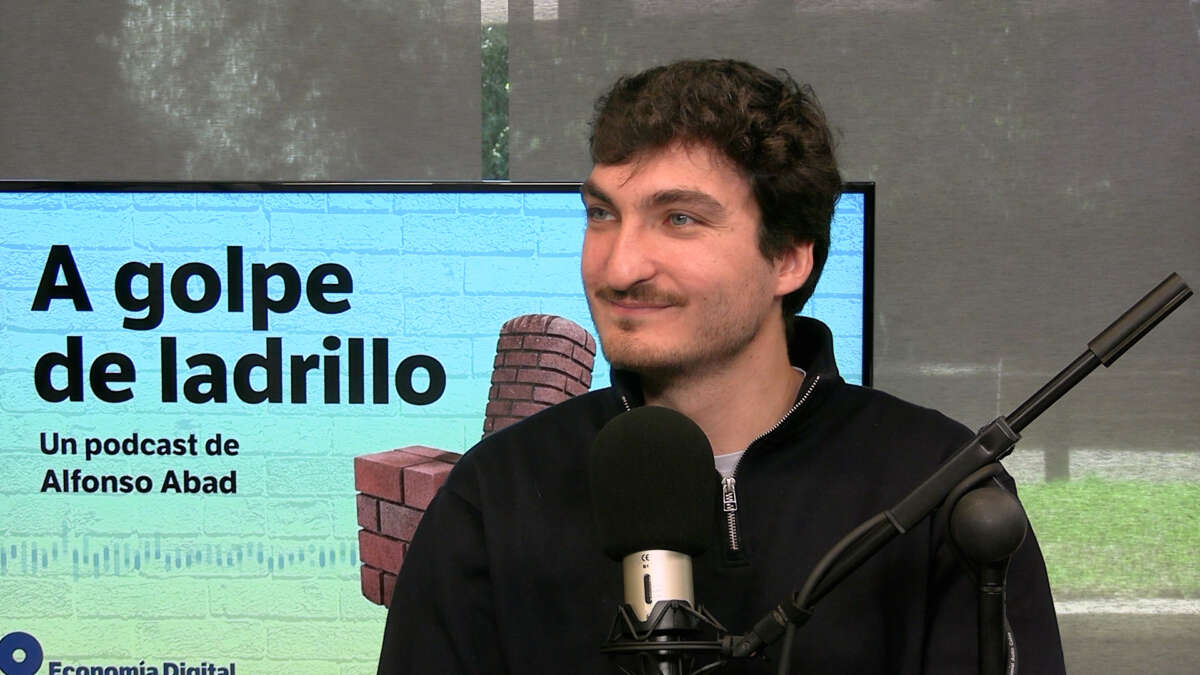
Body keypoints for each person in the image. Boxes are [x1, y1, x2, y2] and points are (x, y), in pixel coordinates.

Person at [377, 59, 1065, 674]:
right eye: (602, 214)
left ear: (789, 257)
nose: (619, 266)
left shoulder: (938, 486)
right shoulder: (495, 495)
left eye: (679, 218)